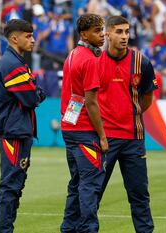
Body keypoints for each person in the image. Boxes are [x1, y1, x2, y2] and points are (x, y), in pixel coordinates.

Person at [97, 16, 157, 233]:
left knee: (139, 196)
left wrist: (130, 115)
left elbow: (147, 99)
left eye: (126, 32)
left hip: (133, 138)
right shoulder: (95, 61)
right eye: (119, 32)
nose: (124, 37)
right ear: (107, 34)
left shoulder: (142, 62)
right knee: (93, 193)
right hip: (104, 140)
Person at [0, 19, 46, 233]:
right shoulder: (11, 64)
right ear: (15, 38)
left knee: (16, 183)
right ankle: (4, 230)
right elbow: (32, 98)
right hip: (13, 131)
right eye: (28, 36)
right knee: (10, 184)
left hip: (19, 129)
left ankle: (7, 228)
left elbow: (32, 93)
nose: (33, 40)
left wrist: (34, 91)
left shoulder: (16, 61)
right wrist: (36, 91)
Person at [60, 13, 108, 233]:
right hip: (84, 130)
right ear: (84, 34)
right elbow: (91, 102)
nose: (103, 34)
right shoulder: (89, 60)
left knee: (76, 184)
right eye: (98, 31)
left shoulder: (73, 54)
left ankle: (68, 228)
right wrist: (102, 135)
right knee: (90, 185)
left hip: (69, 127)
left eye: (102, 29)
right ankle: (88, 229)